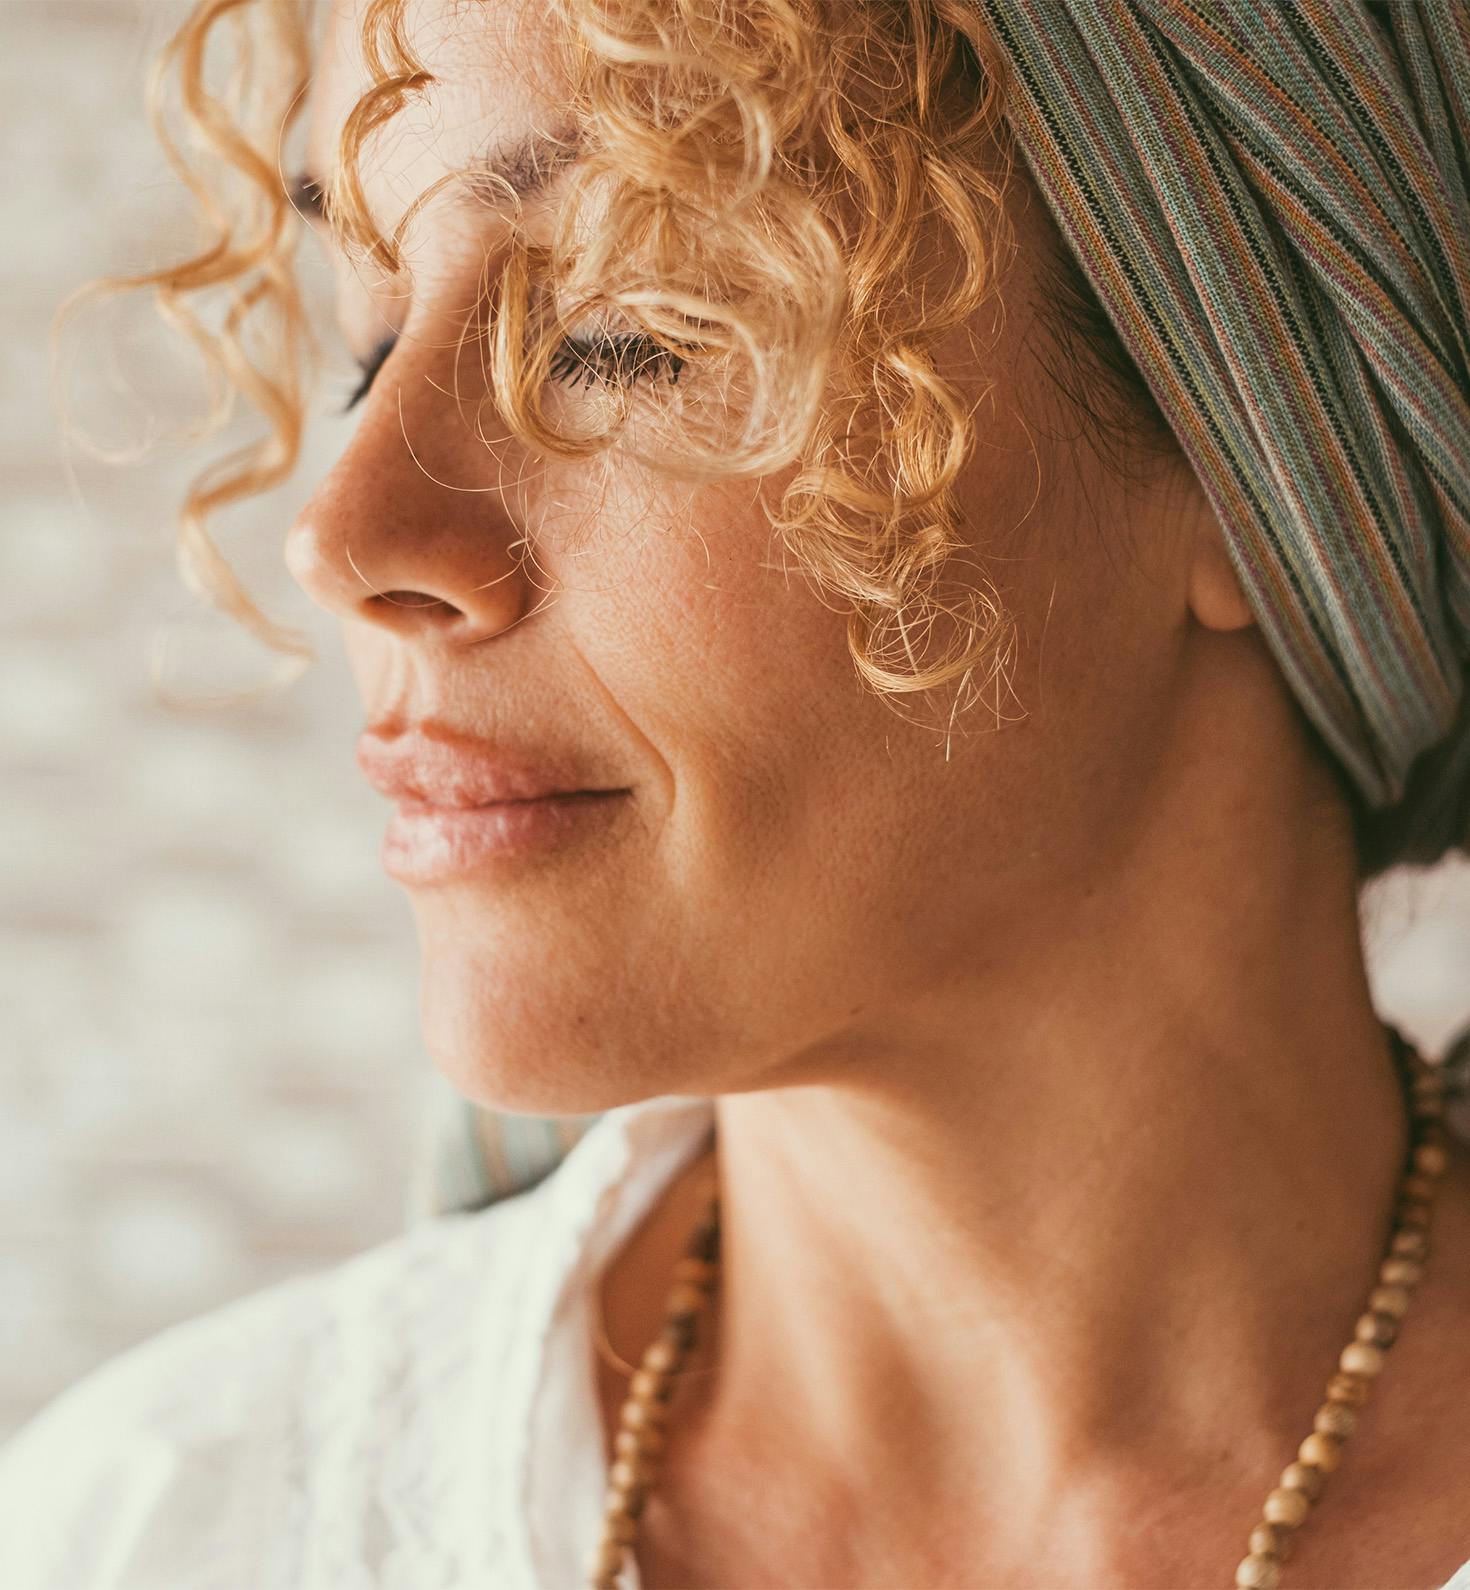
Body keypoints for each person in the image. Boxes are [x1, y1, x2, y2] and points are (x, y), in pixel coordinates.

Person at [3, 1, 1469, 1586]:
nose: (348, 534)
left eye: (626, 328)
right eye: (368, 345)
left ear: (1234, 438)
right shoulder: (155, 1530)